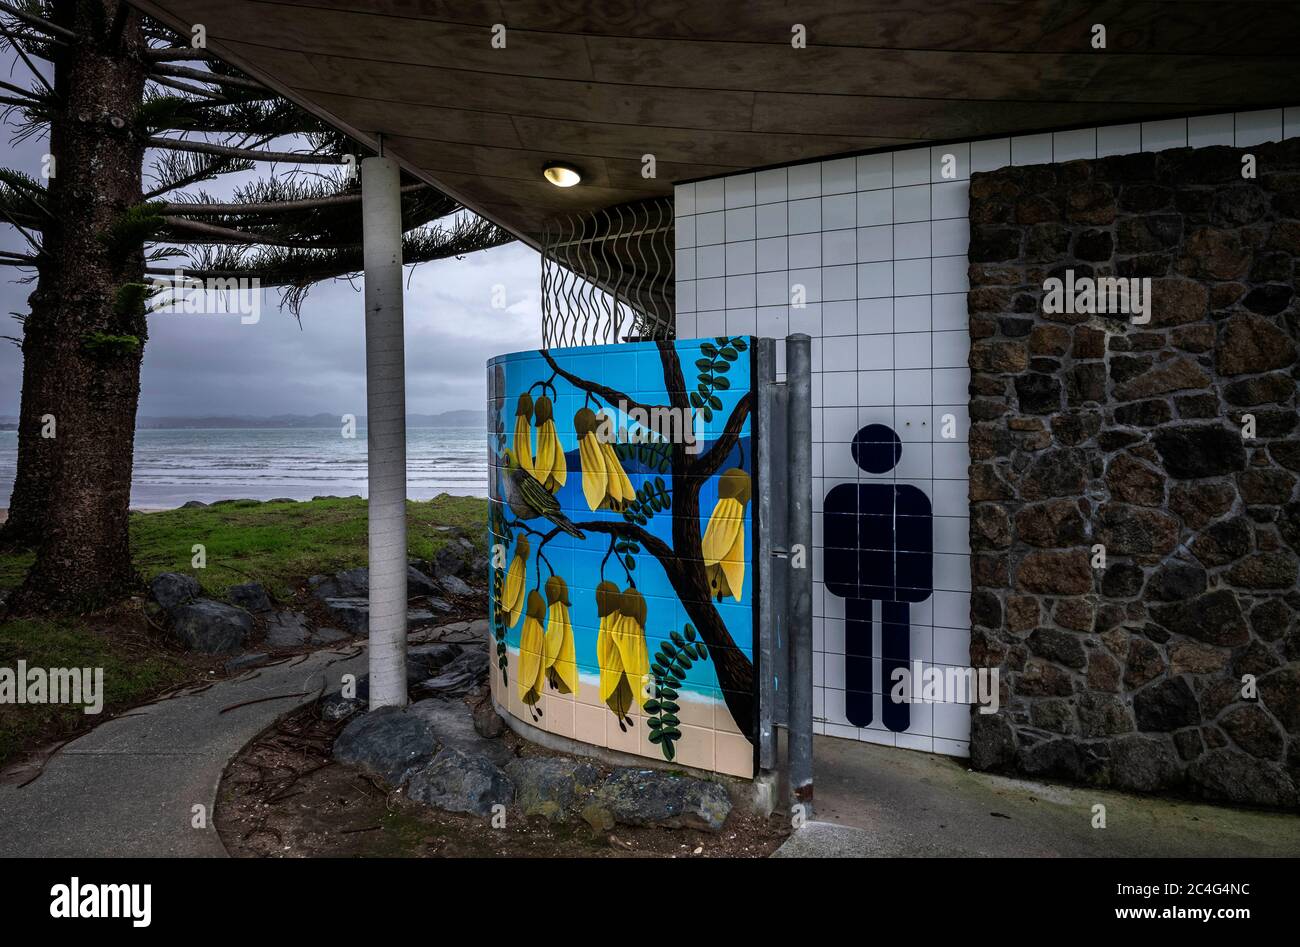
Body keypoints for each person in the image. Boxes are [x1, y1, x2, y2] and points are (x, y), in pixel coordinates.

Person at [823, 424, 933, 731]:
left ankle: (861, 714)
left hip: (855, 587)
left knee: (858, 651)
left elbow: (834, 546)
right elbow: (920, 548)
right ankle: (895, 717)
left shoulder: (841, 495)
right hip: (895, 588)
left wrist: (839, 582)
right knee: (895, 651)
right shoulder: (912, 497)